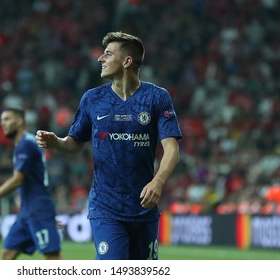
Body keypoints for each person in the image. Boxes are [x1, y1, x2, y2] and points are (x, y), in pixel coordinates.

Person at [36, 31, 182, 260]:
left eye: (108, 54)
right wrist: (57, 143)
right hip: (106, 208)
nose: (100, 59)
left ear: (127, 61)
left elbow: (171, 149)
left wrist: (158, 182)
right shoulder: (92, 99)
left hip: (144, 207)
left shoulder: (156, 97)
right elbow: (74, 144)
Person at [0, 108, 62, 260]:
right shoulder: (22, 145)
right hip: (27, 210)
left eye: (7, 119)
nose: (3, 124)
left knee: (53, 258)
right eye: (2, 120)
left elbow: (17, 180)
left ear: (20, 121)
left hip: (38, 209)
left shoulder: (26, 144)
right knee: (7, 254)